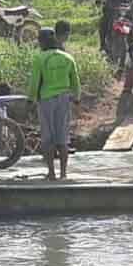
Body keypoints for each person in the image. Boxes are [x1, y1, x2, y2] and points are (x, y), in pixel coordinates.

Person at [27, 28, 81, 180]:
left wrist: (30, 100)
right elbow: (75, 80)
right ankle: (63, 174)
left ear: (42, 42)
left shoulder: (40, 59)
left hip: (46, 101)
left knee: (48, 138)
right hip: (64, 100)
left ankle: (51, 173)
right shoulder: (67, 58)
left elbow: (34, 82)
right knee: (63, 138)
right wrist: (77, 98)